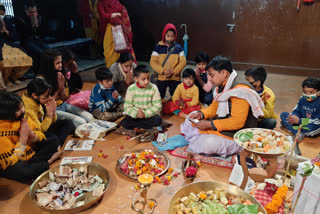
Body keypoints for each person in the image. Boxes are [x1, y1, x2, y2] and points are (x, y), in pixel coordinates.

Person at [181, 56, 264, 157]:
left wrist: (210, 125)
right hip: (223, 124)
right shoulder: (222, 85)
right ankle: (198, 135)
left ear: (224, 73)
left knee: (208, 144)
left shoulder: (240, 90)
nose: (209, 79)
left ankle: (234, 147)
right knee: (191, 116)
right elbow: (213, 108)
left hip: (239, 135)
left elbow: (237, 122)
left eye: (211, 75)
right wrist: (201, 114)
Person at [0, 92, 63, 182]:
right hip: (13, 162)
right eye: (18, 110)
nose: (22, 110)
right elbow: (10, 161)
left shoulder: (22, 116)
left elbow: (39, 136)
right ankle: (49, 160)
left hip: (29, 153)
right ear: (7, 113)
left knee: (52, 139)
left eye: (22, 106)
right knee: (22, 171)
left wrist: (31, 134)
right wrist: (23, 138)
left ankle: (36, 165)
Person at [38, 49, 94, 127]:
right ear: (49, 64)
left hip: (63, 105)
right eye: (57, 63)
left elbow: (64, 98)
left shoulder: (60, 74)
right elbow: (47, 105)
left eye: (61, 62)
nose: (61, 65)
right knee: (82, 123)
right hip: (52, 111)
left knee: (90, 117)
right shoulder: (40, 80)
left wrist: (62, 89)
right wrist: (59, 89)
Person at [22, 78, 75, 145]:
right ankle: (56, 144)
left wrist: (53, 111)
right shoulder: (28, 109)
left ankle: (55, 143)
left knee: (68, 122)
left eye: (49, 95)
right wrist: (49, 114)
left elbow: (52, 122)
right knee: (53, 138)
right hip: (37, 133)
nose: (49, 98)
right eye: (45, 97)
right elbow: (40, 130)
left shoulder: (37, 99)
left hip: (45, 126)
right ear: (34, 95)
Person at [280, 77, 320, 154]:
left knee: (311, 128)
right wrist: (294, 117)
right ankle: (298, 132)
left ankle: (296, 131)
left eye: (311, 92)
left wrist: (299, 120)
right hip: (301, 122)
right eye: (305, 92)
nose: (307, 95)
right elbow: (296, 110)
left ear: (318, 92)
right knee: (284, 115)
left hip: (313, 125)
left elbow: (318, 121)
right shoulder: (302, 99)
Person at [150, 23, 187, 99]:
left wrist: (174, 71)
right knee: (159, 96)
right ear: (164, 35)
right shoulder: (158, 47)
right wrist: (163, 71)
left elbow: (183, 61)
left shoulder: (179, 48)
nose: (170, 38)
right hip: (161, 77)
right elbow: (152, 62)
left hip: (175, 77)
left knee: (176, 96)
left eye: (173, 36)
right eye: (168, 36)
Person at [119, 65, 162, 129]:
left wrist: (145, 114)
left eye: (148, 78)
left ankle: (139, 126)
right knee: (125, 122)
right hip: (136, 117)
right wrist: (136, 114)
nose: (147, 81)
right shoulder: (131, 89)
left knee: (158, 120)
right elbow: (127, 107)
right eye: (143, 79)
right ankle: (144, 126)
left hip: (149, 116)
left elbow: (158, 106)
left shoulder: (153, 88)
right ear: (136, 79)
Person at [0, 4, 33, 87]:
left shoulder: (8, 21)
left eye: (1, 13)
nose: (1, 15)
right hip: (1, 46)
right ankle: (6, 80)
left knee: (24, 57)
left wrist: (6, 31)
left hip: (9, 45)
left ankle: (14, 77)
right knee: (6, 60)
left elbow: (15, 36)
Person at [97, 0, 135, 67]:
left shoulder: (115, 1)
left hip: (119, 29)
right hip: (109, 30)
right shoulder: (101, 3)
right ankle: (112, 70)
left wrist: (120, 15)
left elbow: (122, 9)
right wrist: (114, 15)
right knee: (109, 51)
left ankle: (126, 69)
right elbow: (103, 16)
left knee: (122, 49)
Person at [16, 0, 49, 74]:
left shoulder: (39, 17)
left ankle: (47, 71)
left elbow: (43, 33)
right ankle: (39, 73)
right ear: (26, 11)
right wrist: (31, 25)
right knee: (39, 52)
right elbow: (23, 35)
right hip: (26, 41)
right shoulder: (20, 19)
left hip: (37, 40)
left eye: (35, 12)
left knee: (49, 50)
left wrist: (37, 27)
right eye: (31, 12)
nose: (33, 14)